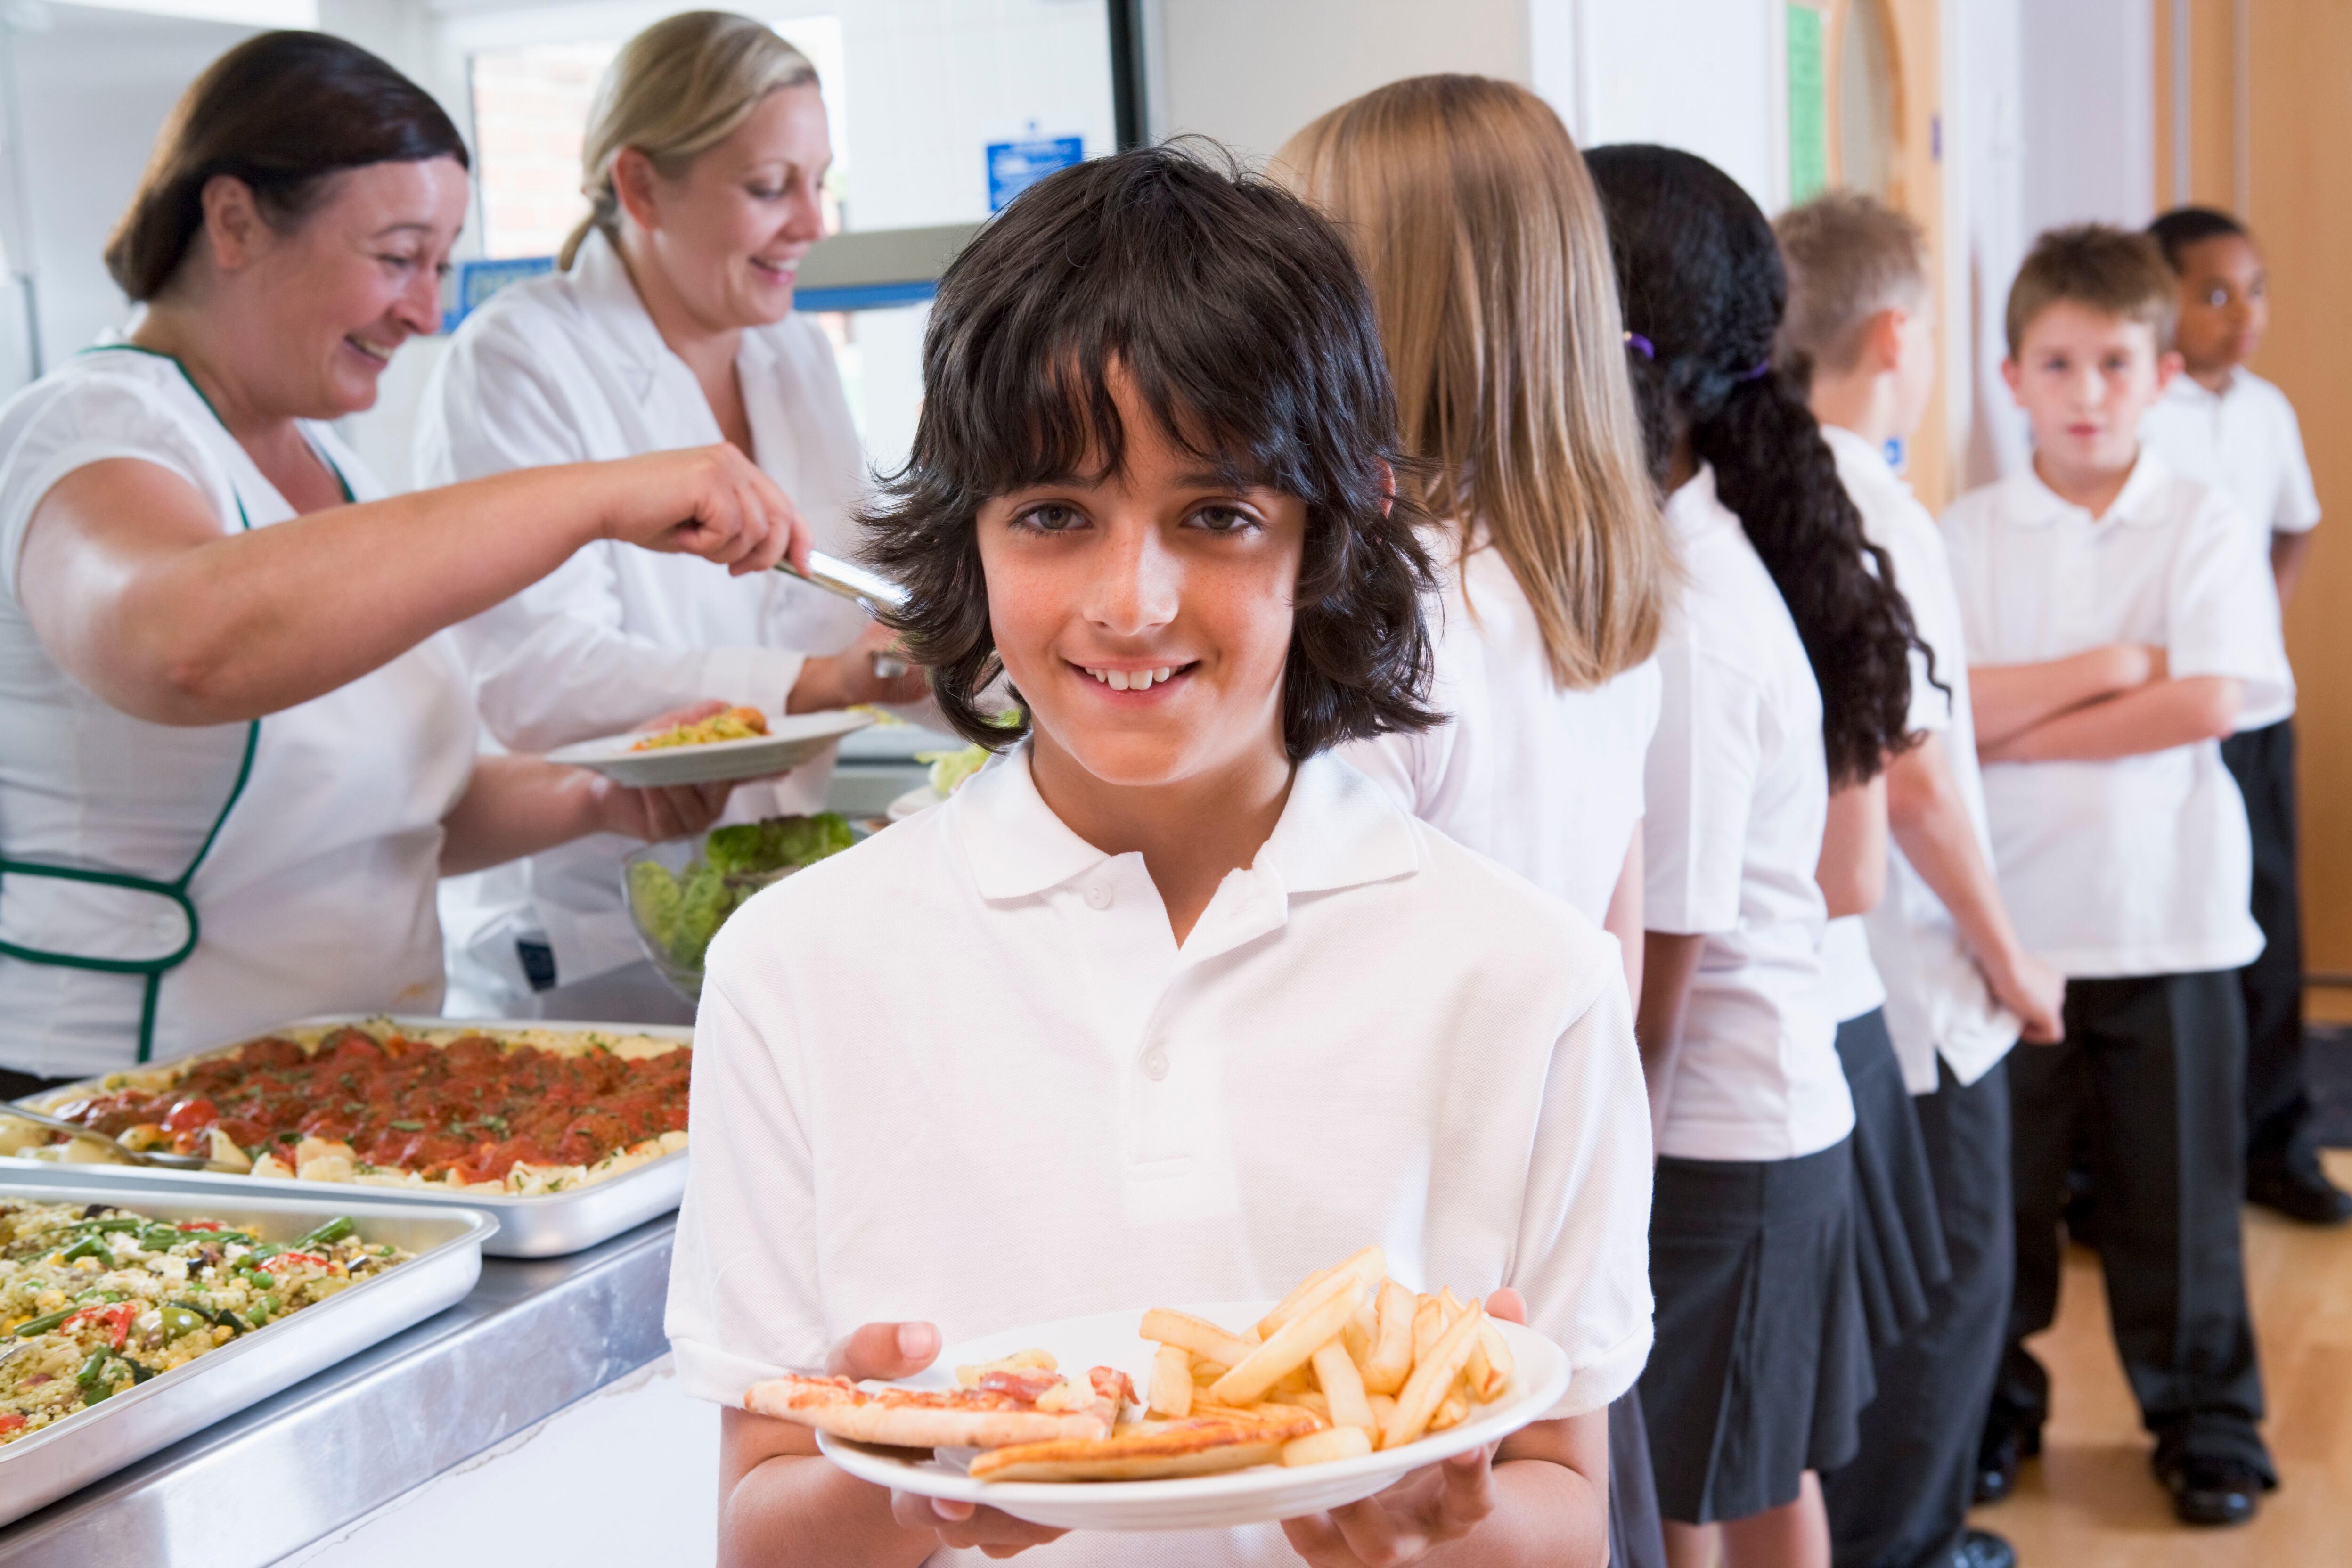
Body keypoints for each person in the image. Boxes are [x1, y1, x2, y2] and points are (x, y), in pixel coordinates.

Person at [665, 145, 1652, 1568]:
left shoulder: (1527, 976)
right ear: (969, 535)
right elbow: (760, 1521)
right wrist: (894, 1487)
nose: (1133, 602)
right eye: (1055, 515)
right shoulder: (795, 966)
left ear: (1338, 524)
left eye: (1219, 515)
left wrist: (1428, 1533)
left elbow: (1567, 1503)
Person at [0, 32, 808, 1091]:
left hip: (346, 1083)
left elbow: (394, 808)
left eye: (438, 265)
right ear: (234, 220)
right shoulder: (92, 430)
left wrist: (599, 797)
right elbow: (181, 646)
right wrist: (600, 494)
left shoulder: (332, 466)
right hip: (117, 1104)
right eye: (395, 258)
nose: (426, 312)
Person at [1273, 75, 1673, 1568]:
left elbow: (1316, 984)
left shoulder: (1395, 611)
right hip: (1545, 1215)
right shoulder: (1595, 579)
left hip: (1411, 1263)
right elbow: (1612, 941)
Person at [418, 11, 925, 1003]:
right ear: (641, 184)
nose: (814, 224)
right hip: (590, 927)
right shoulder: (517, 360)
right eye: (770, 187)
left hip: (776, 895)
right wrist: (826, 680)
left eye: (818, 183)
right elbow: (536, 677)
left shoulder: (792, 353)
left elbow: (859, 594)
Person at [1589, 145, 1922, 1568]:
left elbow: (1667, 965)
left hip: (1716, 1137)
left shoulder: (1692, 610)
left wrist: (1605, 1180)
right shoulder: (1701, 547)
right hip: (1762, 1114)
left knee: (1699, 1500)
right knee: (1760, 1474)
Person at [1946, 224, 2289, 1527]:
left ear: (2157, 377)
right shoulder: (1964, 533)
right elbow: (1941, 716)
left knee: (2179, 1199)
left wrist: (2012, 721)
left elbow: (2209, 701)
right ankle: (1993, 1410)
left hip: (2172, 921)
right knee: (2007, 1201)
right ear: (2011, 376)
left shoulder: (2201, 521)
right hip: (2004, 925)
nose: (2087, 392)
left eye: (2113, 364)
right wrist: (2107, 666)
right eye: (2058, 364)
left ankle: (2207, 1423)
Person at [1776, 191, 2068, 1568]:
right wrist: (2013, 960)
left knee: (1868, 1292)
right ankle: (1909, 1549)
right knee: (1952, 1284)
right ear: (1899, 333)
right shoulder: (1876, 510)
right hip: (1911, 987)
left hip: (1800, 990)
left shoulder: (1723, 496)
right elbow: (1924, 781)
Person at [2140, 207, 2341, 1225]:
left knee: (2270, 918)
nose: (2242, 314)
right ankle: (2126, 1165)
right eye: (2214, 293)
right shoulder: (2139, 407)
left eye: (2254, 289)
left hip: (2253, 710)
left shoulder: (2264, 410)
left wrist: (2255, 626)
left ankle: (2276, 1141)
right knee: (2164, 919)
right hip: (2162, 714)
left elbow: (2295, 526)